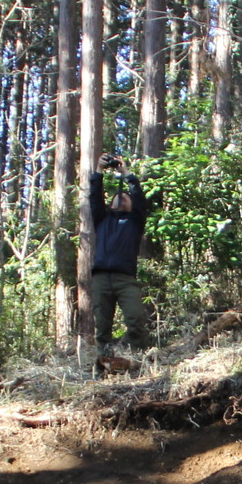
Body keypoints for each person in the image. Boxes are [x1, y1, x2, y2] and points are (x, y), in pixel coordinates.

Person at [88, 152, 154, 364]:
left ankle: (139, 360)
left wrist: (125, 172)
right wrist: (99, 169)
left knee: (135, 318)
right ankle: (104, 363)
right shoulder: (102, 219)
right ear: (111, 203)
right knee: (103, 326)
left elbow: (139, 197)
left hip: (125, 279)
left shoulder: (134, 221)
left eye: (126, 197)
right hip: (101, 279)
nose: (122, 196)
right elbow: (94, 197)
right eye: (119, 196)